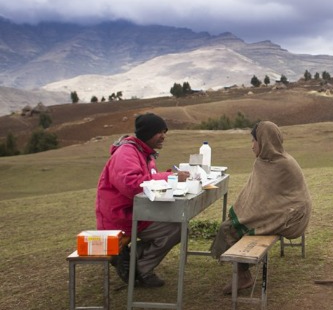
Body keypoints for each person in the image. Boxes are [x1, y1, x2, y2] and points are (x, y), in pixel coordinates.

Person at [211, 121, 312, 293]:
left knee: (229, 228)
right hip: (285, 211)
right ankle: (242, 272)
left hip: (293, 217)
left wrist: (243, 217)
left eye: (254, 140)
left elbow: (265, 203)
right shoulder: (268, 161)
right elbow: (259, 199)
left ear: (264, 141)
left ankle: (243, 276)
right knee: (235, 224)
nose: (252, 146)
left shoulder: (282, 164)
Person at [95, 113, 189, 287]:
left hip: (137, 212)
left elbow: (148, 181)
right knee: (175, 229)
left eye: (164, 132)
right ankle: (139, 268)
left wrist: (170, 179)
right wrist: (171, 177)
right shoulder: (126, 153)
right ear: (147, 133)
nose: (163, 136)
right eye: (159, 132)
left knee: (178, 227)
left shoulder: (145, 153)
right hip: (121, 217)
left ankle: (129, 259)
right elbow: (132, 185)